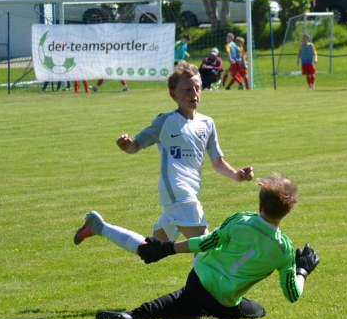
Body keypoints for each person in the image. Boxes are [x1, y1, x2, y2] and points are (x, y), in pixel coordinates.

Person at [82, 174, 319, 319]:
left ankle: (134, 315)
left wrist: (167, 248)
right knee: (258, 311)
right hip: (223, 303)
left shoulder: (240, 221)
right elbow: (292, 294)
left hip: (199, 280)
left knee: (183, 300)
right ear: (288, 211)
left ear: (259, 204)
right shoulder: (285, 250)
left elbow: (205, 243)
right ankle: (139, 314)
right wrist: (303, 270)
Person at [82, 60, 252, 248]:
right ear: (173, 94)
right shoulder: (165, 121)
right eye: (187, 89)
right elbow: (136, 145)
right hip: (177, 191)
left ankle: (98, 227)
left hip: (189, 191)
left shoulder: (207, 123)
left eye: (197, 88)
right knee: (206, 247)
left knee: (151, 250)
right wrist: (126, 146)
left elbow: (218, 162)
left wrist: (237, 175)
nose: (193, 93)